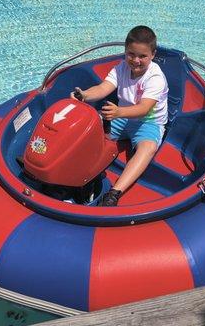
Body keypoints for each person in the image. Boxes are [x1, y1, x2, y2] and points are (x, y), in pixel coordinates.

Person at [71, 26, 168, 206]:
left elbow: (145, 108)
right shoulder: (120, 69)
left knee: (147, 149)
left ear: (153, 55)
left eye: (142, 56)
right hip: (122, 117)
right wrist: (84, 95)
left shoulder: (156, 77)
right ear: (125, 51)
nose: (136, 60)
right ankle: (70, 170)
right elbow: (102, 88)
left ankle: (114, 193)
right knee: (87, 128)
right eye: (131, 54)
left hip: (148, 122)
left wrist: (118, 112)